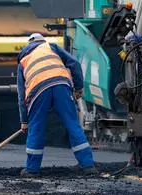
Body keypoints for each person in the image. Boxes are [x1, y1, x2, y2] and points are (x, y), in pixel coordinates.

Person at [17, 33, 97, 178]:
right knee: (73, 125)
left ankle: (32, 169)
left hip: (37, 91)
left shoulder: (23, 60)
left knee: (36, 128)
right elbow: (74, 64)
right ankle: (88, 165)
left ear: (28, 45)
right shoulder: (51, 47)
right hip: (61, 85)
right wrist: (78, 87)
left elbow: (21, 95)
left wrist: (24, 120)